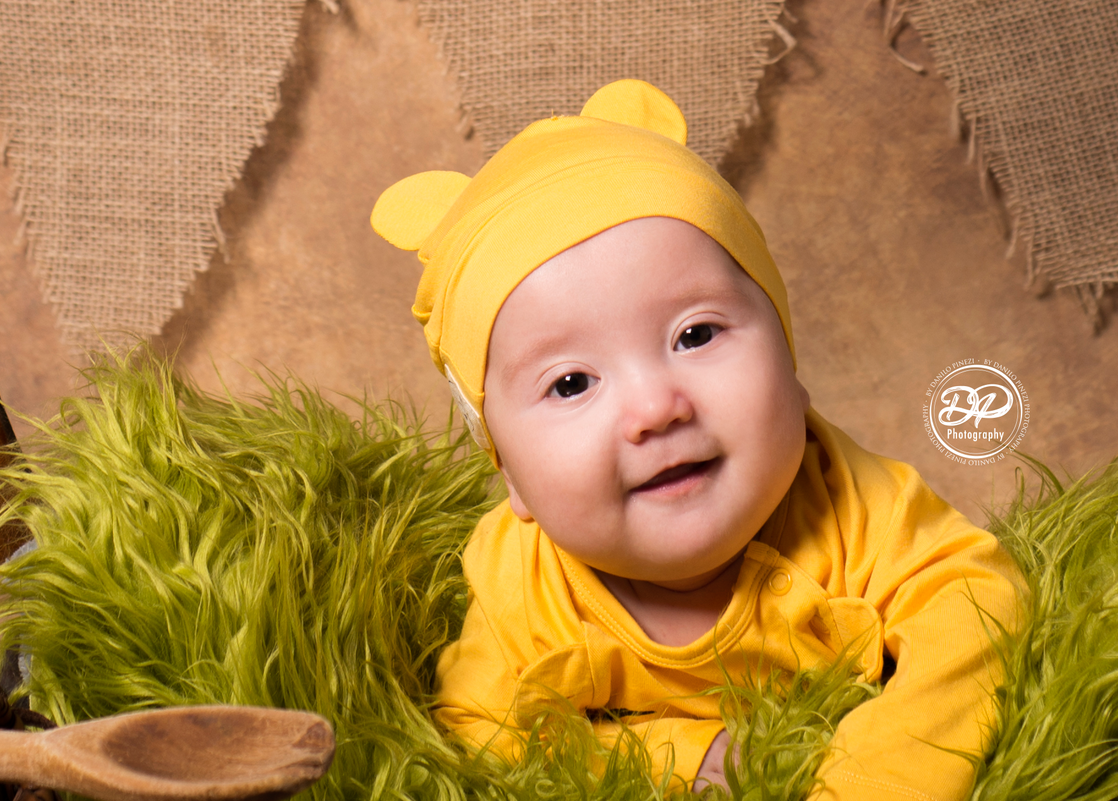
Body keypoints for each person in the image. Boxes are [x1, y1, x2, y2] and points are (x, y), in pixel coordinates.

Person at [370, 79, 1024, 800]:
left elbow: (977, 602)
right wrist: (673, 752)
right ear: (513, 476)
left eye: (696, 334)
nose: (655, 406)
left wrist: (878, 776)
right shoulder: (521, 588)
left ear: (789, 359)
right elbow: (477, 726)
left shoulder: (853, 503)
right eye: (570, 383)